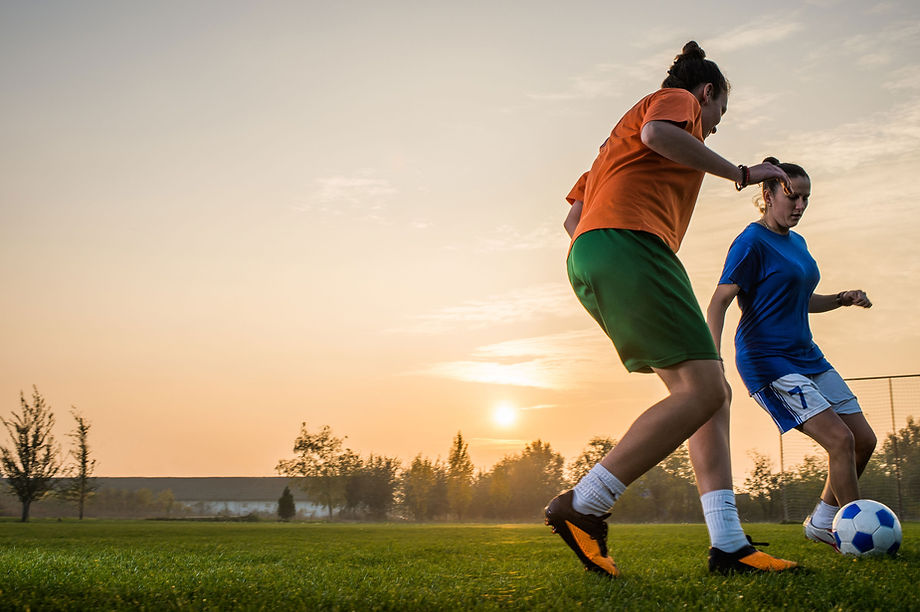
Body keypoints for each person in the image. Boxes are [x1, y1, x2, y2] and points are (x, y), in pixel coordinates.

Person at [545, 41, 798, 576]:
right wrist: (742, 172)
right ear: (706, 93)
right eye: (718, 113)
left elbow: (573, 218)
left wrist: (607, 257)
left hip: (593, 257)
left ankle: (728, 543)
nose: (712, 126)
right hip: (633, 246)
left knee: (707, 395)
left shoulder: (609, 149)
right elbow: (659, 135)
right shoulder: (675, 100)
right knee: (706, 389)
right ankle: (584, 505)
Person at [706, 157, 876, 550]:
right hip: (768, 361)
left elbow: (799, 298)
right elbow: (719, 303)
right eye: (791, 196)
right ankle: (852, 536)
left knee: (863, 440)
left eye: (806, 199)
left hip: (807, 356)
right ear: (767, 195)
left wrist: (840, 299)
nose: (799, 206)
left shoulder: (797, 243)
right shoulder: (750, 242)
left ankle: (822, 521)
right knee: (840, 441)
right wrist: (711, 364)